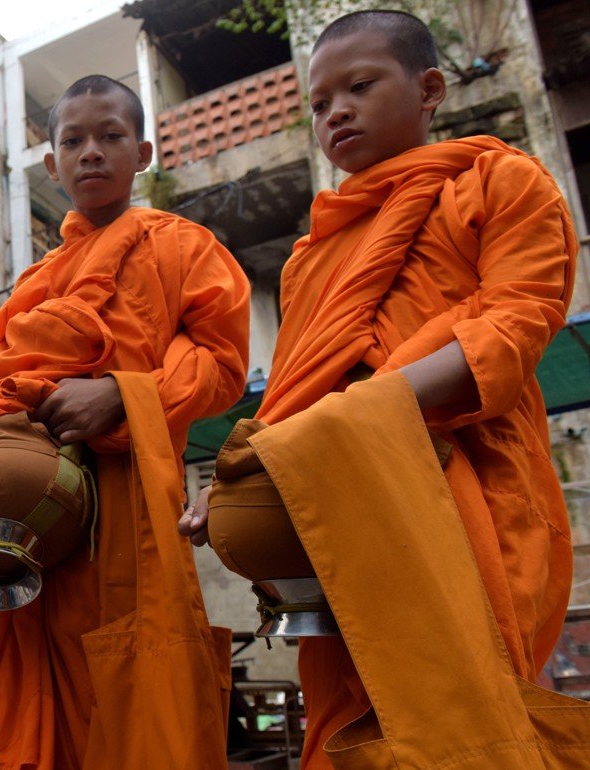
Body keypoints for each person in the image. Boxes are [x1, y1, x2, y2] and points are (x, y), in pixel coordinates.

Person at [178, 10, 580, 768]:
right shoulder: (309, 257)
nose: (336, 112)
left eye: (359, 86)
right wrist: (239, 477)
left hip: (471, 491)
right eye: (320, 101)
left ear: (429, 89)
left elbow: (516, 321)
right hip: (331, 506)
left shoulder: (503, 181)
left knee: (468, 712)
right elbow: (296, 388)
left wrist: (365, 412)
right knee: (348, 725)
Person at [0, 74, 251, 768]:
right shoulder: (36, 282)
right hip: (34, 533)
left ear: (144, 152)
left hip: (131, 528)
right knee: (42, 706)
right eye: (74, 140)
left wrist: (121, 398)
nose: (91, 152)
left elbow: (222, 369)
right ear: (51, 163)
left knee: (138, 704)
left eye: (111, 136)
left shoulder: (182, 247)